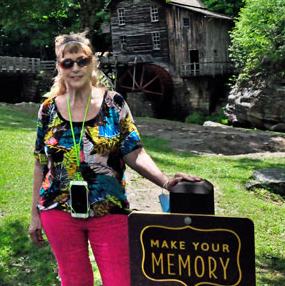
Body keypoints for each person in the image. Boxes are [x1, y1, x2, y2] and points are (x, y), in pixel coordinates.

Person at [29, 31, 201, 286]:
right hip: (58, 210)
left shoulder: (114, 104)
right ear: (59, 67)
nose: (75, 68)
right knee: (74, 282)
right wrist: (34, 215)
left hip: (109, 209)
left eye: (82, 61)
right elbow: (40, 162)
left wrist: (165, 182)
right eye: (68, 62)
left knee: (120, 280)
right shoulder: (48, 109)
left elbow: (134, 151)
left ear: (92, 63)